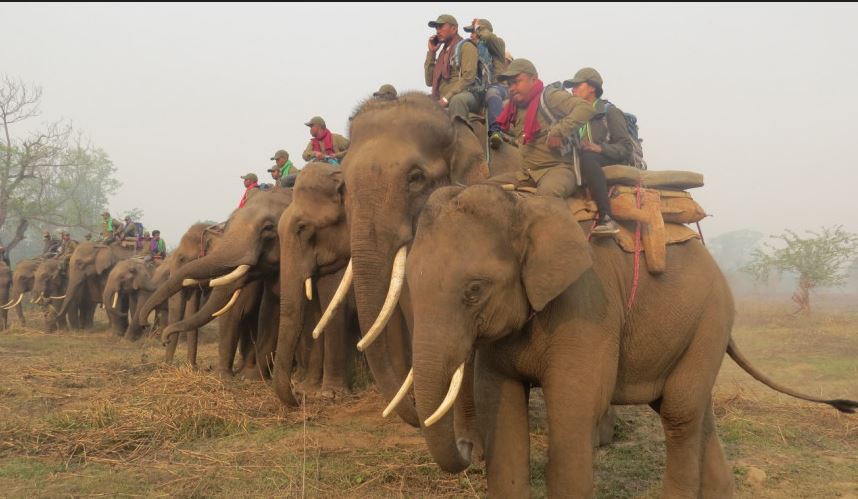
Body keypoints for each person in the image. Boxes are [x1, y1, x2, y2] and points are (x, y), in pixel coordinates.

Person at [489, 59, 596, 199]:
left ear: (534, 79)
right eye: (509, 84)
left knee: (545, 199)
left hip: (558, 169)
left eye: (516, 81)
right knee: (482, 190)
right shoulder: (512, 108)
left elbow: (585, 108)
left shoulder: (550, 96)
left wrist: (558, 131)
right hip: (527, 173)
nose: (511, 88)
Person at [564, 67, 632, 235]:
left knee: (588, 157)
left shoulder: (609, 112)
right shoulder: (574, 118)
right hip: (585, 160)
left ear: (592, 88)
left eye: (577, 85)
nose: (573, 89)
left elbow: (626, 148)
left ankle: (606, 217)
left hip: (609, 157)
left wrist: (599, 148)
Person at [425, 14, 481, 122]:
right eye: (436, 28)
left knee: (457, 100)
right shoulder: (442, 53)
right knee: (418, 101)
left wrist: (446, 98)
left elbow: (468, 78)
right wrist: (431, 53)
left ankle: (461, 136)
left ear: (454, 28)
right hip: (443, 97)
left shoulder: (466, 46)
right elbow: (429, 81)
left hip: (466, 95)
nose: (437, 31)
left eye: (441, 27)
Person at [464, 19, 510, 147]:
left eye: (474, 31)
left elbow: (488, 37)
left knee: (492, 92)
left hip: (498, 87)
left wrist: (478, 26)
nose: (471, 35)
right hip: (478, 89)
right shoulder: (471, 51)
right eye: (472, 32)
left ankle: (496, 131)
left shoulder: (497, 44)